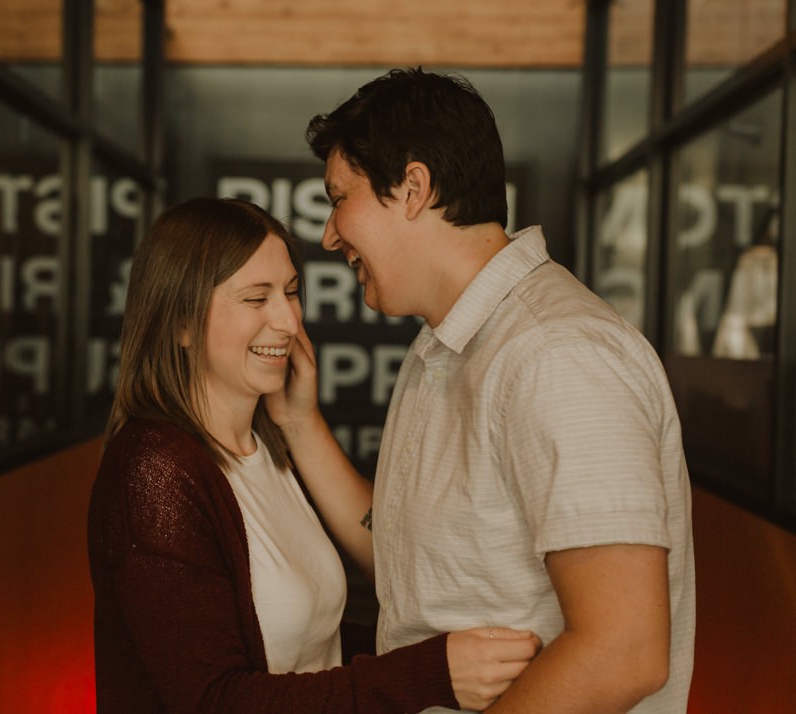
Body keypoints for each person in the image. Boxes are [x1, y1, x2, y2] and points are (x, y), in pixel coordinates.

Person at [269, 68, 696, 713]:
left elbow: (624, 650)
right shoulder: (451, 343)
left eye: (338, 198)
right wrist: (301, 424)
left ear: (413, 188)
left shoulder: (556, 353)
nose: (329, 235)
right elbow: (408, 570)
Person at [87, 196, 540, 713]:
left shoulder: (266, 449)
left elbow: (313, 646)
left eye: (292, 292)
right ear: (182, 325)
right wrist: (428, 673)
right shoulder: (155, 470)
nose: (287, 321)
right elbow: (212, 701)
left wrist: (446, 655)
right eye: (257, 299)